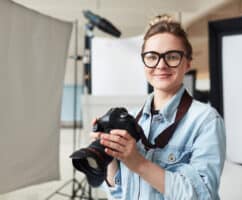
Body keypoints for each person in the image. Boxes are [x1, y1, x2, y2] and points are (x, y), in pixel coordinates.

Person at [91, 14, 226, 200]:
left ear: (187, 63)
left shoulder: (206, 120)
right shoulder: (131, 118)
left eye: (171, 56)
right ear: (144, 62)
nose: (161, 65)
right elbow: (119, 193)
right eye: (152, 56)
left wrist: (138, 163)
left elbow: (202, 196)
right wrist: (110, 154)